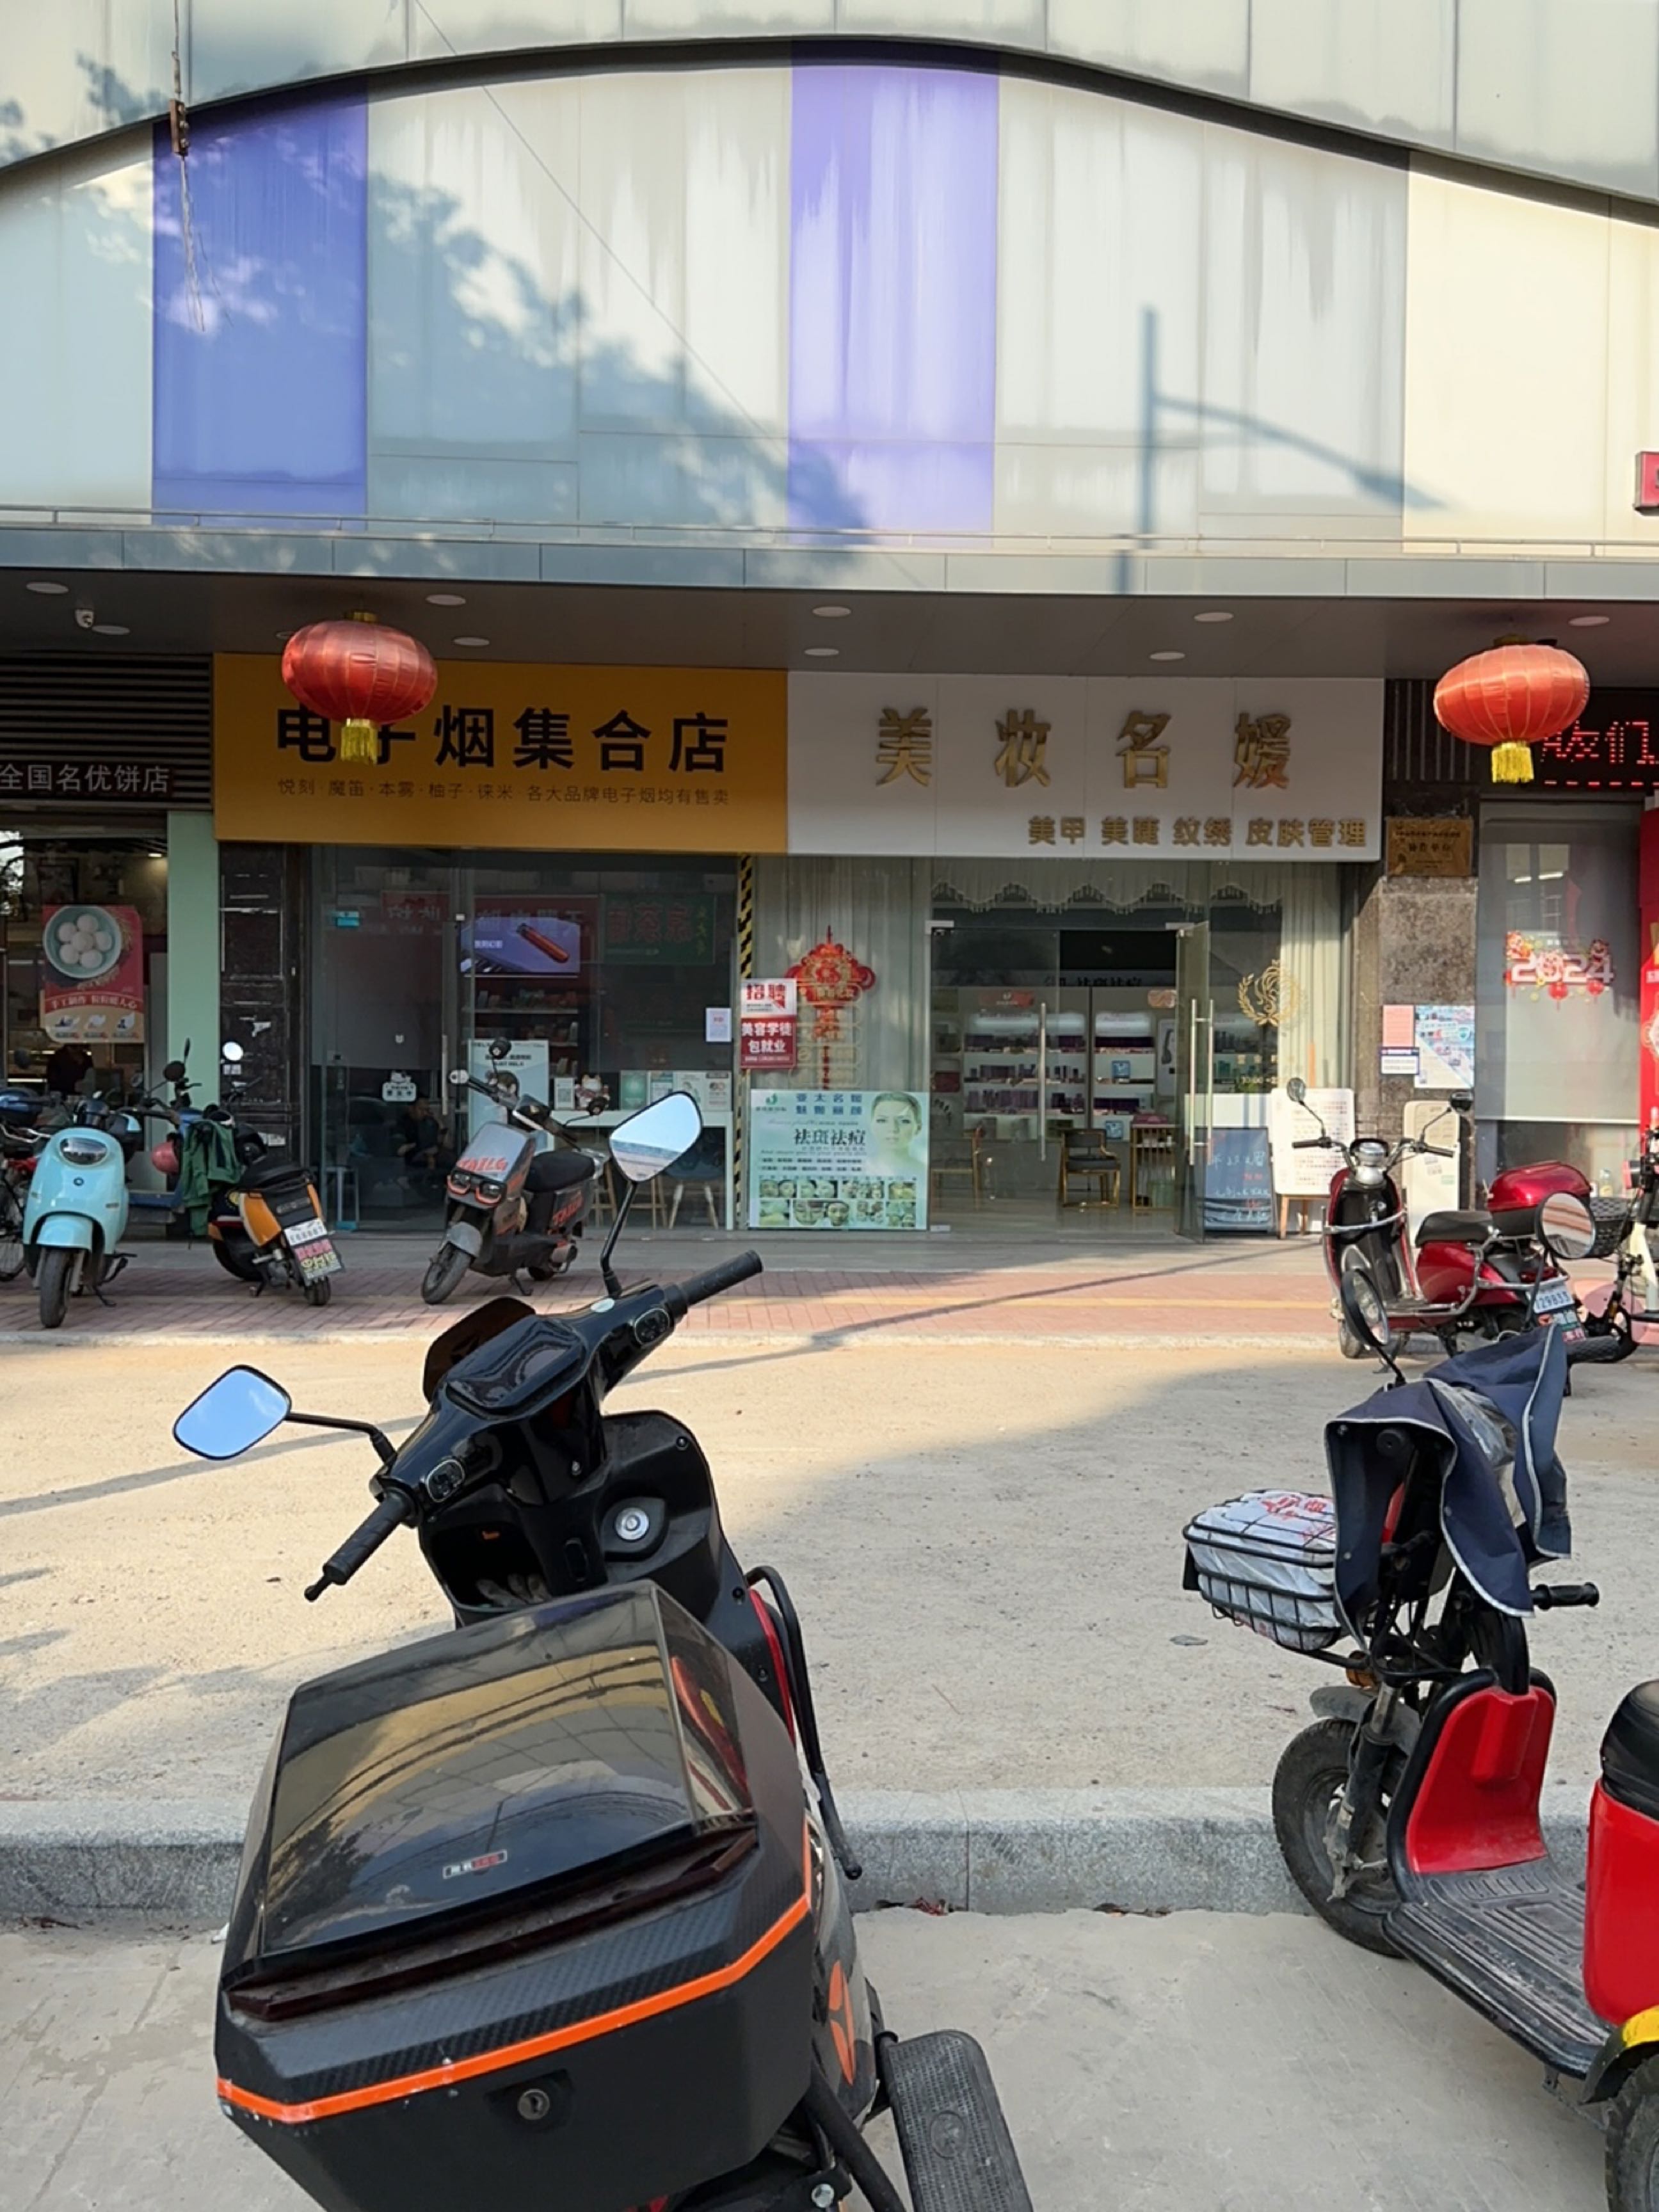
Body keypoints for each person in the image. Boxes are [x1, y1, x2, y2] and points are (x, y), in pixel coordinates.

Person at [866, 1090, 925, 1175]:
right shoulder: (860, 1169)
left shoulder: (924, 1171)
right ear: (872, 1126)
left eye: (904, 1121)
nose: (893, 1129)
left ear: (918, 1128)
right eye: (882, 1121)